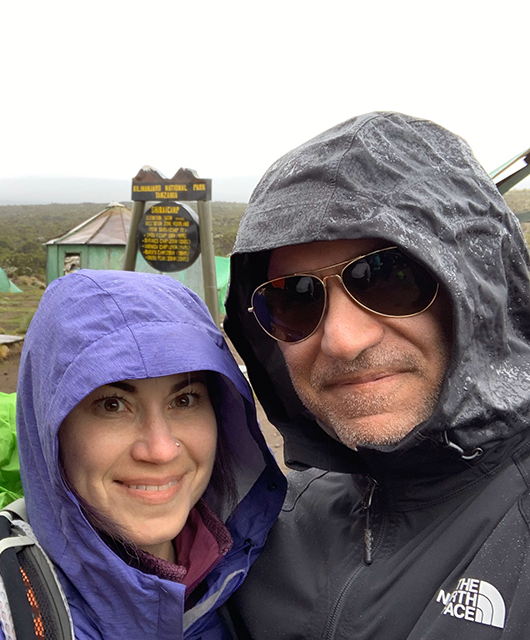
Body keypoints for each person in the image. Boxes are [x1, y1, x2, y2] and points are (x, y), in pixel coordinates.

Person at [223, 112, 530, 638]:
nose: (343, 340)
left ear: (479, 288)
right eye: (294, 299)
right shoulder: (265, 527)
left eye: (387, 277)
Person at [0, 269, 285, 639]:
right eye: (112, 404)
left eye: (184, 399)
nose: (161, 449)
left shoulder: (259, 574)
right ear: (51, 427)